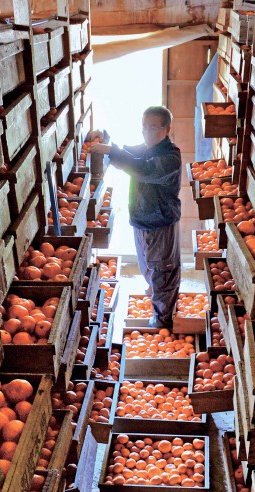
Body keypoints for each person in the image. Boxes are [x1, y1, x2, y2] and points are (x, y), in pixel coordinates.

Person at [90, 105, 182, 330]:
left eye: (152, 127)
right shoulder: (146, 149)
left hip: (160, 223)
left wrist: (111, 151)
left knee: (162, 271)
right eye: (144, 126)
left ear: (166, 129)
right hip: (142, 221)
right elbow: (127, 153)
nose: (146, 131)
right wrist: (105, 138)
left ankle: (163, 322)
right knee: (149, 268)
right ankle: (158, 305)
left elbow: (143, 169)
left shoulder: (170, 157)